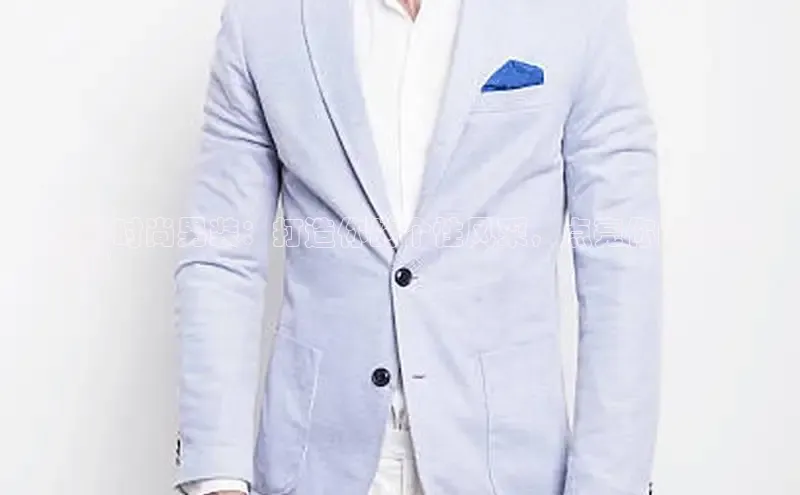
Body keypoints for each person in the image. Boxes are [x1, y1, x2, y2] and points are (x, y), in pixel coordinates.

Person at [174, 0, 662, 492]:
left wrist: (612, 480)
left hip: (506, 464)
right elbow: (222, 254)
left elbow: (620, 253)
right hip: (313, 463)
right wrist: (217, 476)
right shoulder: (262, 19)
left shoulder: (578, 14)